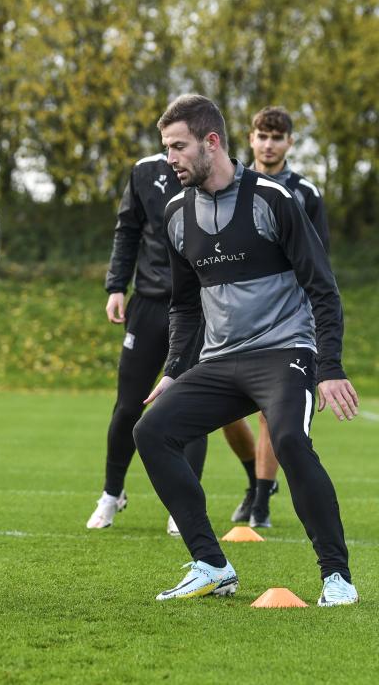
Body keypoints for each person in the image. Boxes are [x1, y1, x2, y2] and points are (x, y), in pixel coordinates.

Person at [134, 94, 358, 606]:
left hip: (285, 352)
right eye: (166, 147)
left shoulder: (274, 200)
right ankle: (211, 564)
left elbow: (322, 286)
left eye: (178, 147)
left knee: (288, 440)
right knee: (152, 430)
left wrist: (329, 366)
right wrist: (173, 371)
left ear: (211, 143)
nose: (170, 158)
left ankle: (337, 577)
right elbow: (185, 306)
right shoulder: (175, 214)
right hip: (220, 361)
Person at [89, 152, 258, 535]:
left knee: (190, 408)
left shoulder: (223, 172)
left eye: (183, 141)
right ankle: (111, 493)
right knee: (128, 406)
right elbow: (127, 229)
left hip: (200, 308)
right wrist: (117, 285)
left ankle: (182, 506)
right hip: (148, 304)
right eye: (170, 141)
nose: (175, 150)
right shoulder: (144, 171)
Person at [226, 106, 331, 529]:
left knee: (272, 411)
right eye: (262, 136)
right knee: (225, 411)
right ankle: (256, 479)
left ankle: (262, 505)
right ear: (250, 138)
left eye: (277, 137)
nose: (268, 144)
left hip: (286, 318)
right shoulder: (229, 184)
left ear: (289, 142)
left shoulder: (305, 192)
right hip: (233, 317)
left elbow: (319, 262)